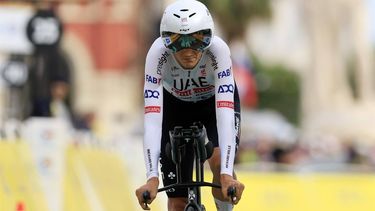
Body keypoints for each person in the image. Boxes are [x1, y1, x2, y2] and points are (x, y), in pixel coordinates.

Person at [135, 0, 245, 210]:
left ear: (209, 37)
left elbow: (224, 116)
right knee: (177, 201)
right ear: (165, 41)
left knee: (220, 168)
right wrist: (151, 178)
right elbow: (152, 121)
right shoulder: (156, 55)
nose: (188, 50)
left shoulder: (219, 50)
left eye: (198, 40)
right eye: (177, 42)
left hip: (212, 105)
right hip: (175, 106)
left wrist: (226, 174)